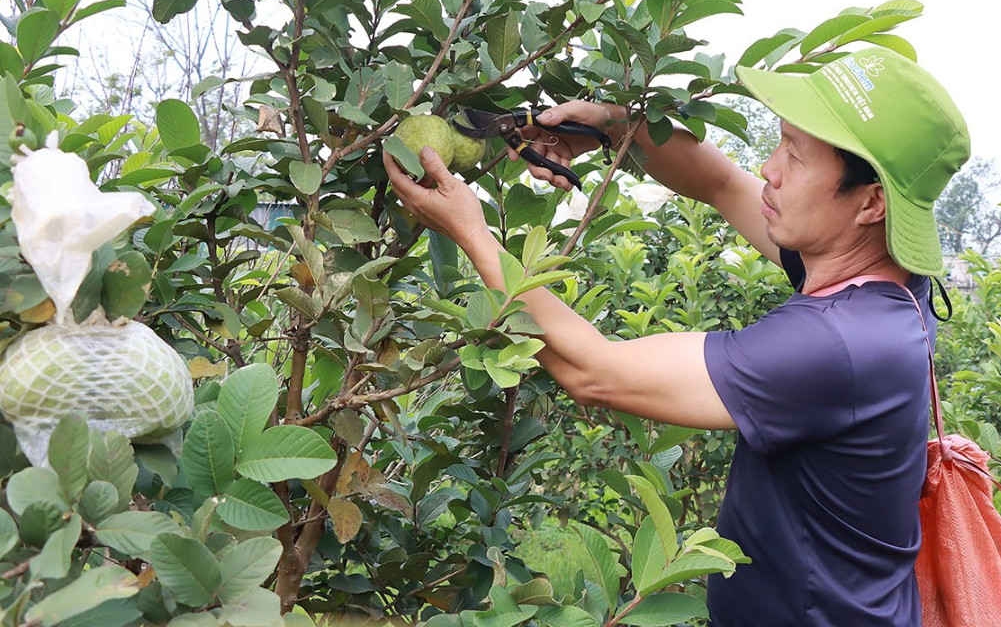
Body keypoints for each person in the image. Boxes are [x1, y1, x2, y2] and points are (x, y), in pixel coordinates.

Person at [382, 46, 969, 627]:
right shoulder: (883, 276)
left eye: (795, 156)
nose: (770, 168)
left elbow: (594, 372)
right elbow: (720, 182)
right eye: (780, 142)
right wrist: (611, 125)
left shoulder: (840, 344)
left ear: (870, 202)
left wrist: (471, 233)